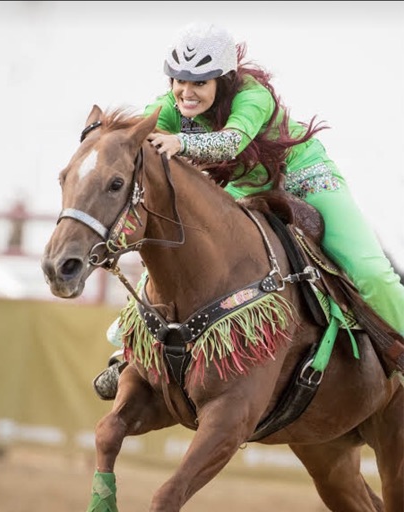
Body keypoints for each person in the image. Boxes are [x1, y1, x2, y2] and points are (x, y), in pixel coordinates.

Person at [93, 22, 404, 400]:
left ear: (222, 80)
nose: (186, 93)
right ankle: (128, 351)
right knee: (175, 249)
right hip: (241, 186)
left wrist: (178, 141)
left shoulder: (253, 96)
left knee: (372, 271)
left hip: (305, 176)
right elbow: (135, 135)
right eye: (179, 81)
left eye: (199, 83)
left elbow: (231, 142)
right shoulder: (168, 107)